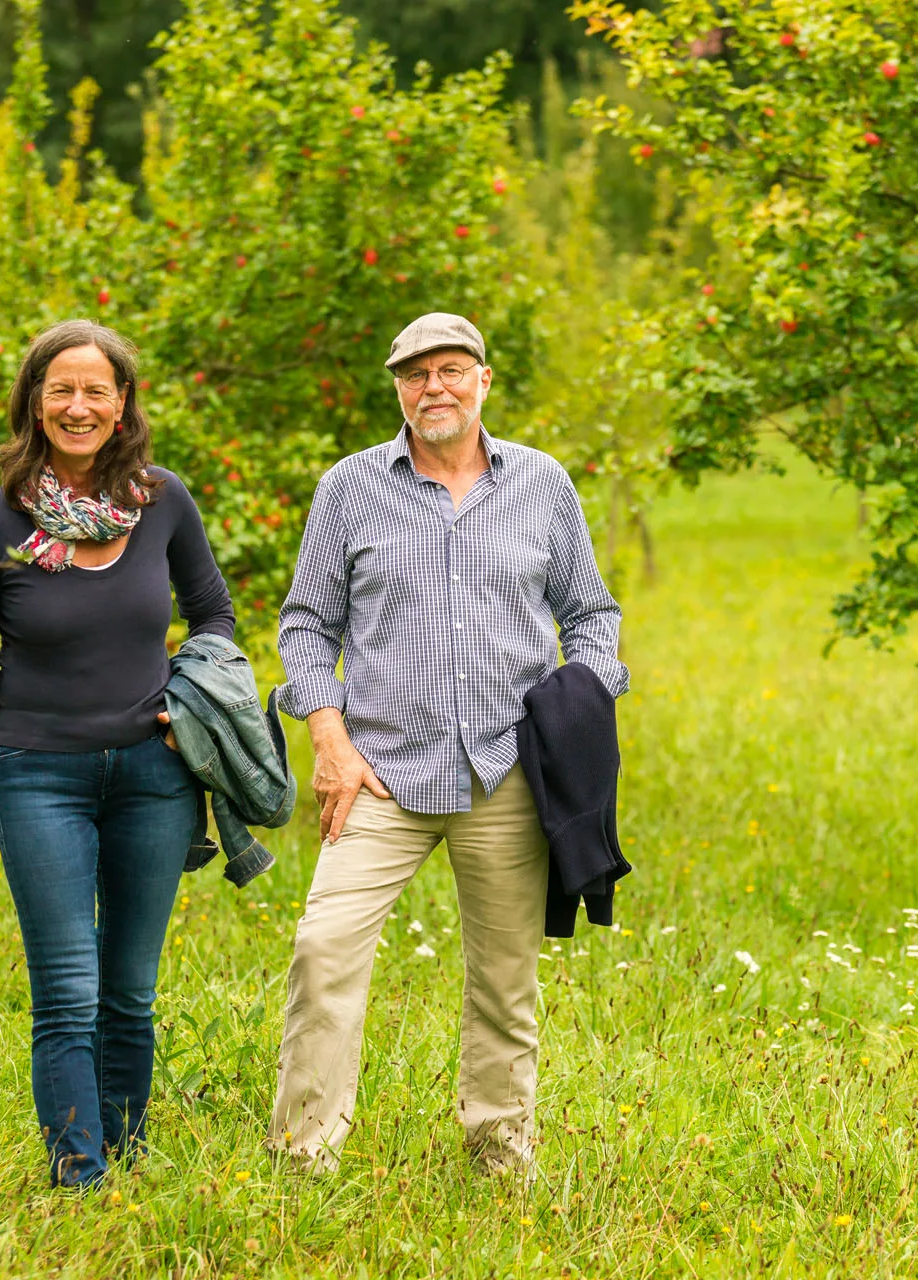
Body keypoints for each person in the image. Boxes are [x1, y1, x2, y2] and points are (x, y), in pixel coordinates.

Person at [267, 312, 629, 1175]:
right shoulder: (350, 487)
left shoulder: (542, 484)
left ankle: (501, 1153)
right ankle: (301, 1153)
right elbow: (307, 623)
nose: (435, 387)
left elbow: (592, 614)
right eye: (416, 373)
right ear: (397, 387)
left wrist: (583, 697)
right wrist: (328, 735)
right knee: (323, 952)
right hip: (378, 773)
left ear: (483, 381)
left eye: (451, 369)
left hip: (506, 771)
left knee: (506, 983)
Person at [0, 319, 235, 1189]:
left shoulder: (164, 502)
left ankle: (126, 1161)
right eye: (62, 389)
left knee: (129, 994)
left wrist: (189, 700)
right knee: (67, 994)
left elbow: (215, 613)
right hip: (40, 778)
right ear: (35, 403)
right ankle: (80, 1180)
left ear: (123, 402)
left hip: (153, 779)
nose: (80, 406)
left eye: (97, 389)